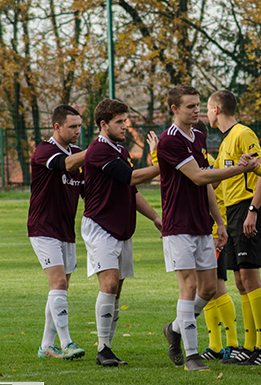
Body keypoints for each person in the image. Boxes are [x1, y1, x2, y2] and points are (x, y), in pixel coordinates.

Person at [158, 85, 259, 372]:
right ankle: (192, 355)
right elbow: (200, 176)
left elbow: (207, 189)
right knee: (188, 287)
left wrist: (219, 221)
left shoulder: (199, 135)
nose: (196, 110)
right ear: (174, 109)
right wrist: (238, 170)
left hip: (202, 224)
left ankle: (175, 329)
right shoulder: (169, 140)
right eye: (190, 106)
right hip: (178, 226)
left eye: (198, 105)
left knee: (210, 287)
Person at [82, 98, 162, 367]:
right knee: (109, 283)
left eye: (125, 120)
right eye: (119, 122)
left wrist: (155, 218)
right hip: (100, 227)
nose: (125, 126)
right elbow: (132, 178)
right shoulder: (98, 150)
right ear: (103, 125)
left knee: (117, 290)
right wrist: (168, 161)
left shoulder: (120, 151)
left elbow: (132, 191)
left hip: (122, 229)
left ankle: (108, 347)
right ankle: (102, 348)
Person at [209, 89, 261, 366]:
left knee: (250, 278)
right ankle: (248, 345)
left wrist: (253, 210)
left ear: (216, 109)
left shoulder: (243, 134)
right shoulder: (225, 142)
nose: (206, 113)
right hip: (232, 214)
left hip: (247, 209)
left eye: (207, 108)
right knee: (239, 281)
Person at [28, 105, 86, 361]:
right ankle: (67, 343)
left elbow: (87, 188)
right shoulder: (45, 150)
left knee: (59, 289)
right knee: (59, 283)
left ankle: (45, 346)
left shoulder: (78, 152)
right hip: (43, 228)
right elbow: (66, 163)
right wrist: (97, 149)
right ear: (57, 126)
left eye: (80, 126)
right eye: (72, 126)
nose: (77, 130)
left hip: (66, 230)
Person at [201, 93, 250, 364]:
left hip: (215, 228)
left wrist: (252, 209)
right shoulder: (219, 149)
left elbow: (259, 167)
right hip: (217, 224)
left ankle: (232, 343)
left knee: (217, 287)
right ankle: (216, 344)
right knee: (208, 288)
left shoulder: (238, 135)